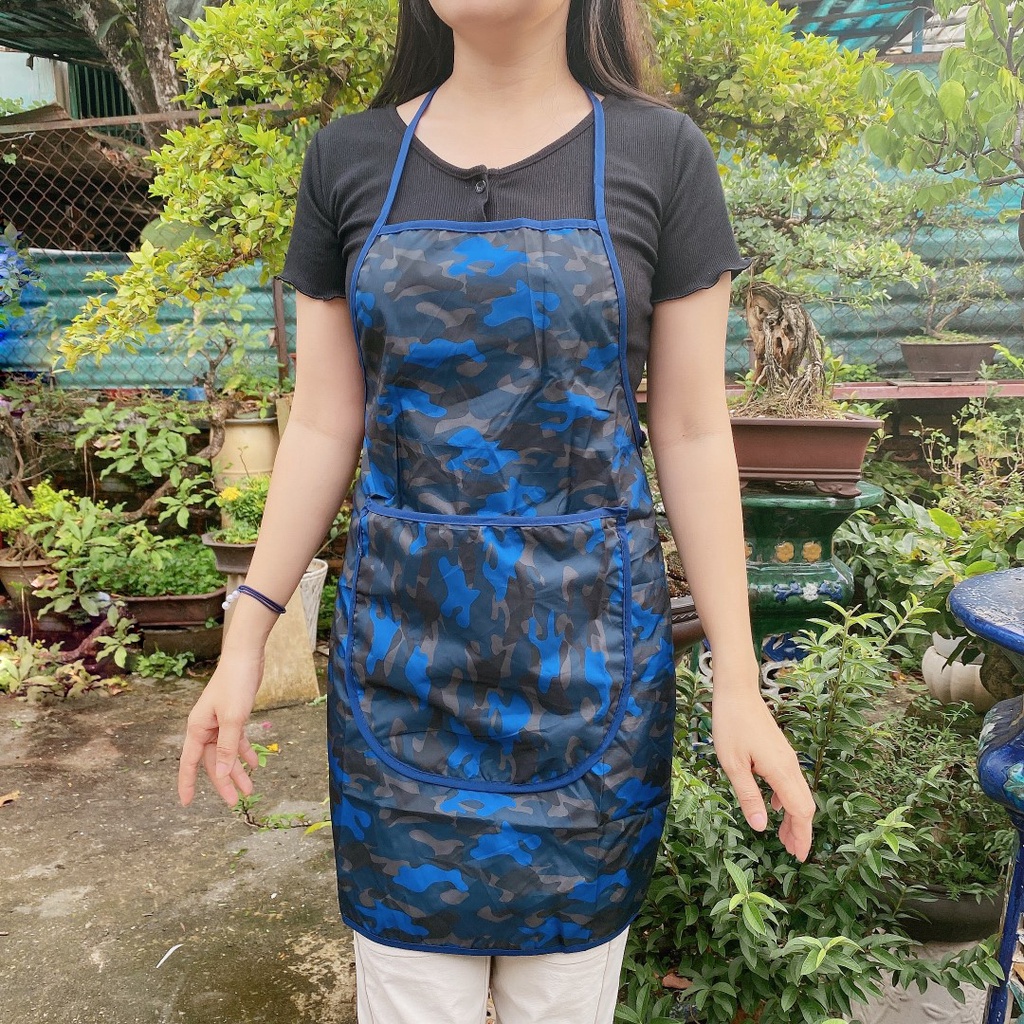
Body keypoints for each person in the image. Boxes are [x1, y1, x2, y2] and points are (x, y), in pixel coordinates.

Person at [177, 1, 817, 1021]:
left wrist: (736, 681)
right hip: (401, 673)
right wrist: (246, 634)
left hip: (588, 673)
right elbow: (324, 422)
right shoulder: (348, 159)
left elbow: (693, 431)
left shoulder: (660, 154)